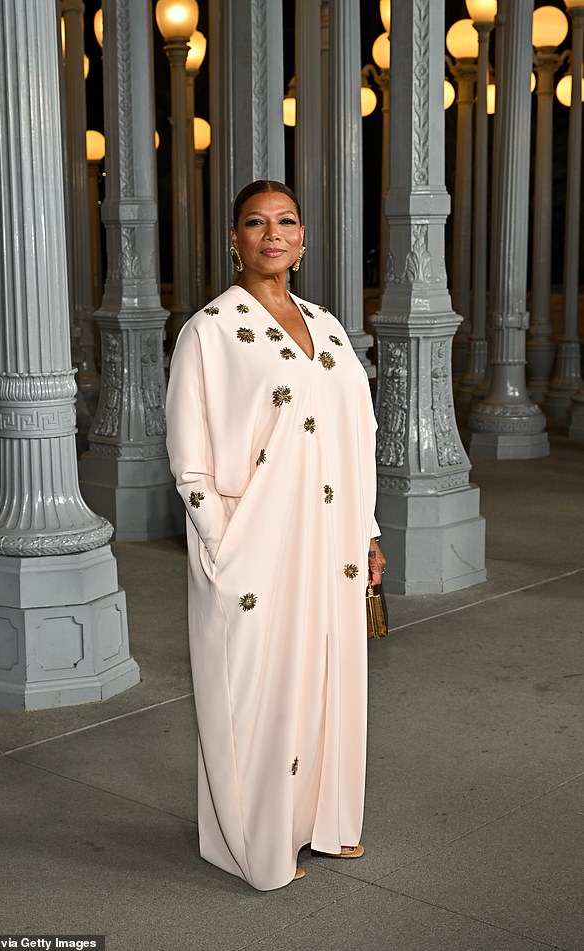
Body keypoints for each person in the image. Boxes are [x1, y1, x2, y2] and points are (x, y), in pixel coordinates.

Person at [165, 180, 386, 891]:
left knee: (328, 680)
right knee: (256, 693)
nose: (272, 233)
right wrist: (226, 544)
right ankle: (256, 842)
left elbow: (359, 431)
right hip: (256, 546)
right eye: (255, 222)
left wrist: (369, 530)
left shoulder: (327, 324)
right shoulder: (210, 331)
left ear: (303, 237)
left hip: (333, 543)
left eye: (286, 221)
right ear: (233, 238)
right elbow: (189, 457)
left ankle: (325, 820)